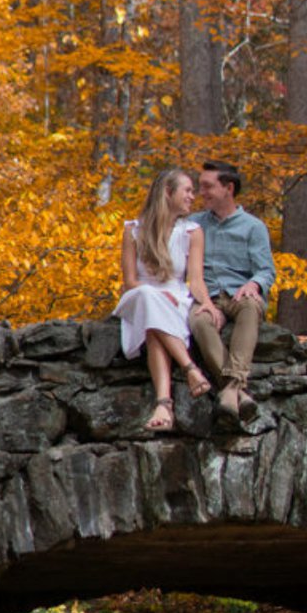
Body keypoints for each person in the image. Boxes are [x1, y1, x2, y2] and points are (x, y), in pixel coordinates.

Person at [112, 168, 214, 431]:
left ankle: (163, 404)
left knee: (154, 325)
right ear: (168, 193)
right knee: (147, 296)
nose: (193, 196)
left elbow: (196, 280)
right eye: (187, 190)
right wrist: (157, 294)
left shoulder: (192, 232)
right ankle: (189, 367)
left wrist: (207, 304)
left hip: (175, 299)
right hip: (140, 296)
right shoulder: (133, 230)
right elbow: (131, 281)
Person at [190, 160, 276, 422]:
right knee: (198, 320)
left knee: (252, 305)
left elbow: (266, 271)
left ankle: (229, 389)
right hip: (208, 297)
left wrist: (254, 284)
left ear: (228, 188)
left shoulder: (253, 227)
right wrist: (204, 300)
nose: (200, 192)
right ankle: (238, 391)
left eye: (207, 186)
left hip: (240, 295)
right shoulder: (194, 224)